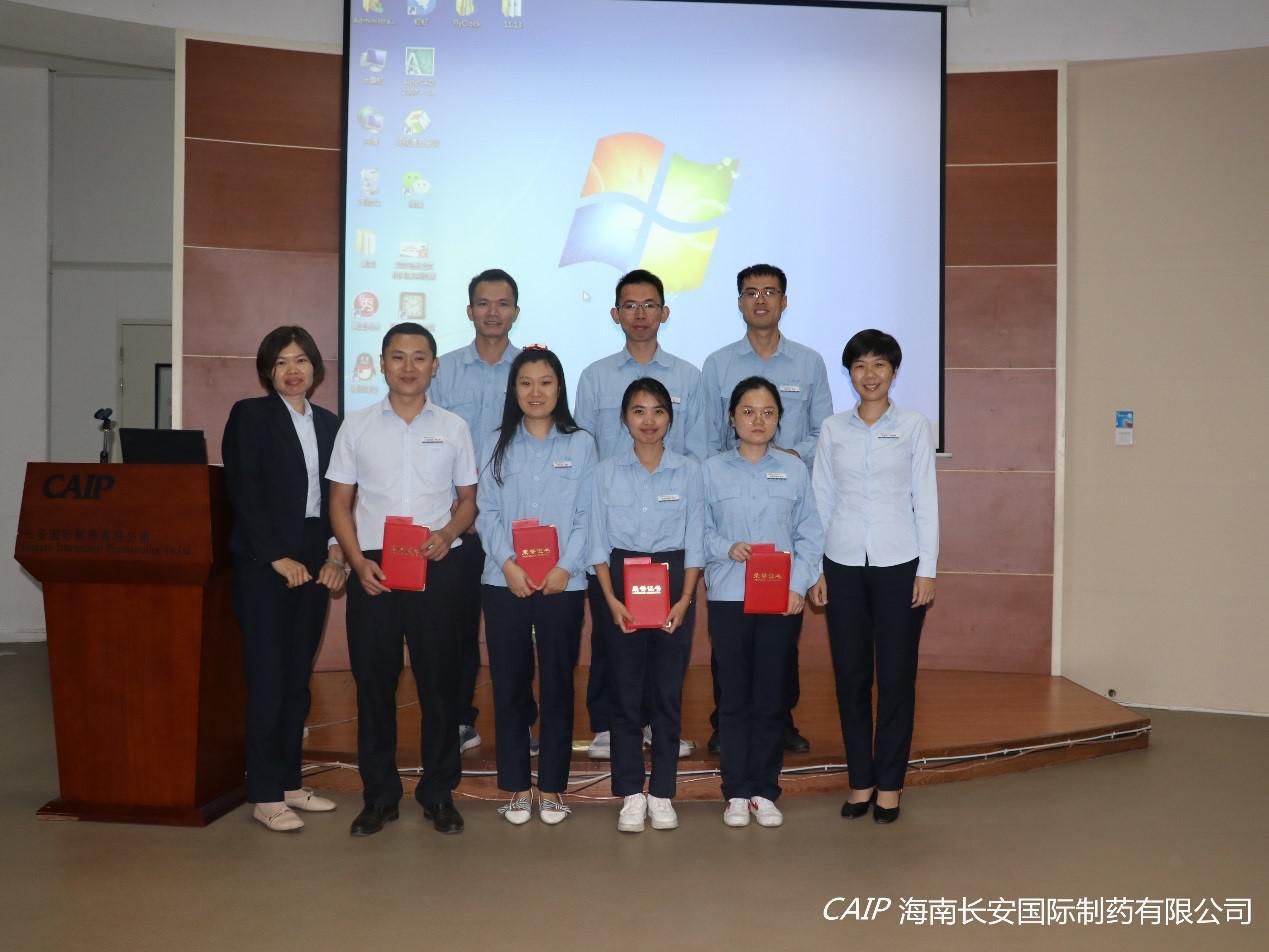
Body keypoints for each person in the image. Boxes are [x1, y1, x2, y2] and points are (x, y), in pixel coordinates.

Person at [327, 322, 478, 837]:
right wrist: (355, 562)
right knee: (374, 685)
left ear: (435, 366)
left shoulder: (454, 427)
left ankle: (438, 793)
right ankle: (379, 796)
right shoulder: (357, 426)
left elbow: (468, 501)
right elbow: (339, 503)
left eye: (419, 357)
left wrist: (448, 533)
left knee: (440, 685)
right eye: (398, 356)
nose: (408, 367)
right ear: (382, 364)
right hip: (374, 568)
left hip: (436, 564)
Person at [700, 264, 833, 755]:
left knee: (780, 646)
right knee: (731, 650)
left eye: (770, 292)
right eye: (751, 292)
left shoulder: (810, 362)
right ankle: (727, 722)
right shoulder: (717, 364)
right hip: (733, 503)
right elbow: (707, 435)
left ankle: (781, 721)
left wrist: (790, 456)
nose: (760, 300)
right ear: (739, 302)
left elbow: (823, 431)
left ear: (784, 301)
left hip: (785, 504)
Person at [574, 269, 705, 761]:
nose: (640, 314)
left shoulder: (688, 376)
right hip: (616, 526)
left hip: (667, 523)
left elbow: (698, 449)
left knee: (666, 639)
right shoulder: (595, 376)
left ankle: (657, 724)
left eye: (650, 305)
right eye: (630, 305)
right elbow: (584, 449)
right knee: (613, 634)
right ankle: (608, 726)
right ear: (616, 314)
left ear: (665, 312)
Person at [808, 329, 937, 825]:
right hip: (841, 563)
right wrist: (815, 568)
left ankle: (890, 785)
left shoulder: (914, 426)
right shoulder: (833, 429)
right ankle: (860, 780)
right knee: (851, 678)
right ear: (849, 373)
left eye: (879, 364)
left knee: (897, 679)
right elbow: (821, 499)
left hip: (899, 563)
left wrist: (927, 568)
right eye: (860, 365)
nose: (870, 374)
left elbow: (925, 499)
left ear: (894, 372)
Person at [222, 325, 347, 832]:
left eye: (300, 361)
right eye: (281, 362)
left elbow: (337, 498)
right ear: (267, 371)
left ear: (315, 367)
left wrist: (336, 553)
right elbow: (243, 491)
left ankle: (291, 783)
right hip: (264, 567)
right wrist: (275, 556)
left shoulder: (330, 424)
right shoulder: (250, 416)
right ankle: (265, 793)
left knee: (297, 679)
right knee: (268, 680)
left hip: (314, 561)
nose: (292, 371)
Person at [476, 346, 596, 825]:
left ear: (559, 388)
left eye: (545, 382)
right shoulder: (494, 443)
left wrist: (566, 566)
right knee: (509, 683)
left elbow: (588, 515)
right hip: (503, 580)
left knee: (558, 683)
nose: (535, 392)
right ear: (514, 390)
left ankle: (551, 787)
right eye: (525, 383)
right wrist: (507, 564)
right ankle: (516, 786)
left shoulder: (581, 444)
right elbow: (486, 511)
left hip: (563, 582)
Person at [703, 377, 823, 829]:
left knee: (771, 696)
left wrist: (799, 585)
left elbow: (810, 534)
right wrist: (724, 547)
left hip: (780, 599)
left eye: (768, 412)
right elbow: (697, 530)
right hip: (729, 596)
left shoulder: (794, 470)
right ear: (732, 418)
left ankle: (765, 790)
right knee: (734, 698)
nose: (758, 420)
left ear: (779, 420)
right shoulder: (710, 470)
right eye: (748, 411)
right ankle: (736, 791)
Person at [588, 378, 704, 833]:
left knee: (667, 692)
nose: (649, 420)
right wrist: (610, 599)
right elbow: (597, 541)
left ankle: (663, 793)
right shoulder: (605, 472)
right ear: (624, 418)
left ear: (670, 419)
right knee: (625, 692)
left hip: (674, 583)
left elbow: (695, 539)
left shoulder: (689, 471)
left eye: (658, 411)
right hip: (621, 584)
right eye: (638, 411)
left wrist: (685, 599)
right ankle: (631, 793)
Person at [431, 268, 525, 755]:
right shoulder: (443, 370)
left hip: (515, 521)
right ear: (469, 310)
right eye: (484, 303)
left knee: (519, 629)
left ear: (516, 311)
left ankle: (521, 725)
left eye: (503, 303)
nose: (493, 312)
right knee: (457, 626)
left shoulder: (531, 371)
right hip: (461, 522)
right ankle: (459, 720)